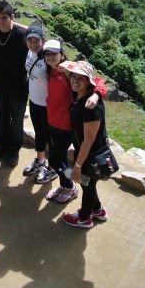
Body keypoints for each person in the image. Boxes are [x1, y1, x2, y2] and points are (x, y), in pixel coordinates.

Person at [42, 39, 106, 205]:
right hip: (52, 121)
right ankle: (65, 185)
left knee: (55, 161)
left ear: (61, 55)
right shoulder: (49, 70)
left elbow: (97, 81)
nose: (50, 58)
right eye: (47, 54)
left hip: (65, 126)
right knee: (59, 157)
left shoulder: (69, 69)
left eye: (54, 54)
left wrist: (96, 94)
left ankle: (70, 185)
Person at [60, 60, 110, 229]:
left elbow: (88, 140)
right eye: (73, 76)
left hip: (90, 154)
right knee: (89, 183)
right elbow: (63, 67)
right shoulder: (83, 94)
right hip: (87, 152)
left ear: (88, 81)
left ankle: (84, 217)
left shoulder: (90, 107)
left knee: (87, 185)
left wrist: (78, 165)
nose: (75, 80)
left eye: (81, 77)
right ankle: (98, 210)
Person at [0, 2, 28, 166]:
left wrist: (16, 23)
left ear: (12, 18)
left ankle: (14, 150)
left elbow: (37, 34)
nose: (1, 21)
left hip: (18, 86)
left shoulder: (21, 35)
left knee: (17, 120)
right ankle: (3, 145)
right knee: (0, 118)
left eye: (5, 18)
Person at [22, 24, 50, 177]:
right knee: (39, 133)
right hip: (34, 101)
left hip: (48, 105)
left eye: (36, 41)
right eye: (30, 40)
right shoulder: (30, 52)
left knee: (51, 137)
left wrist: (96, 93)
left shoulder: (49, 57)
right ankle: (40, 160)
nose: (33, 44)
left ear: (43, 41)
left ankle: (51, 168)